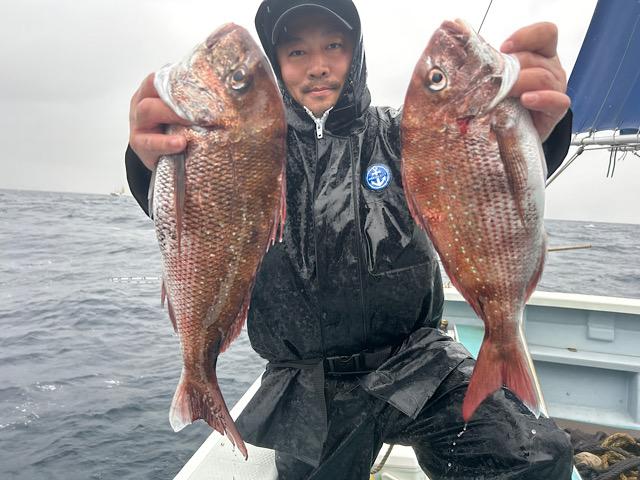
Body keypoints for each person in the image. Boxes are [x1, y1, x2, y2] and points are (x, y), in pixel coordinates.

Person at [125, 1, 575, 478]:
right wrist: (153, 161)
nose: (317, 65)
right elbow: (199, 225)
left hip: (419, 361)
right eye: (297, 51)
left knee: (535, 457)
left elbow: (480, 186)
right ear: (276, 65)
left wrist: (532, 132)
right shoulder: (246, 152)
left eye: (334, 45)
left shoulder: (407, 134)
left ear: (356, 51)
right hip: (305, 384)